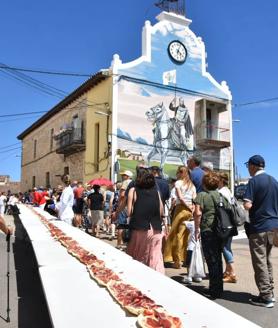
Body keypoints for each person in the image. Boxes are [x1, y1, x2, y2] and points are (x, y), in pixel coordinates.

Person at [243, 155, 278, 308]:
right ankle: (270, 291)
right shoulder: (274, 181)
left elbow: (248, 205)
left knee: (259, 262)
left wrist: (244, 205)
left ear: (253, 166)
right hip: (273, 226)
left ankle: (266, 296)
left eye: (248, 166)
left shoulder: (254, 181)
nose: (248, 169)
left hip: (259, 227)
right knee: (267, 259)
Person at [194, 171, 230, 299]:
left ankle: (214, 290)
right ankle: (218, 288)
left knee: (211, 260)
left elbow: (198, 213)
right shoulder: (221, 196)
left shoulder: (202, 195)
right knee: (218, 260)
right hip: (220, 231)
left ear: (204, 184)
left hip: (207, 229)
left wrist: (196, 229)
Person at [126, 171, 164, 273]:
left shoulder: (133, 191)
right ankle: (159, 279)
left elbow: (129, 212)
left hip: (140, 227)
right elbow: (161, 211)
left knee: (138, 257)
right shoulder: (156, 192)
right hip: (156, 228)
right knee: (155, 257)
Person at [164, 166, 196, 269]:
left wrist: (187, 206)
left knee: (177, 234)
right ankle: (184, 258)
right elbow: (195, 199)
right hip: (189, 210)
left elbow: (180, 198)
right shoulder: (192, 185)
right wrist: (192, 208)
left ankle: (176, 261)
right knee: (185, 235)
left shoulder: (178, 183)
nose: (177, 174)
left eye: (178, 172)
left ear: (180, 173)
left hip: (181, 209)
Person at [218, 172, 237, 283]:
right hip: (230, 223)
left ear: (221, 180)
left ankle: (233, 273)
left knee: (225, 248)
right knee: (227, 247)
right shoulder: (228, 191)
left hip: (224, 224)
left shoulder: (221, 192)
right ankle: (228, 271)